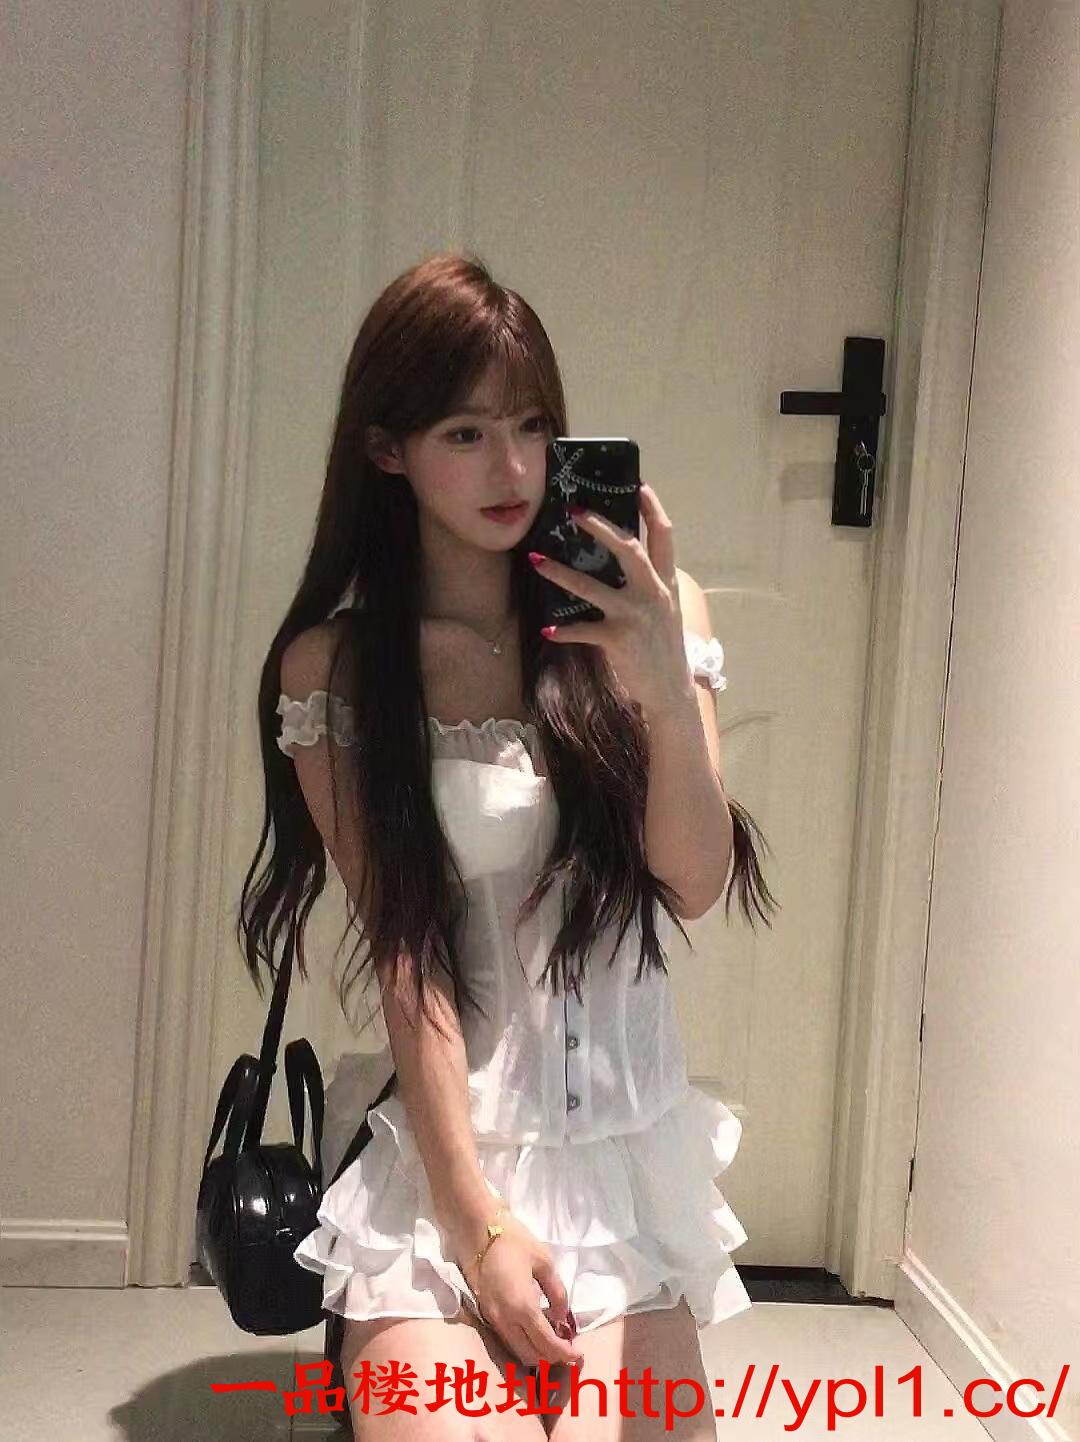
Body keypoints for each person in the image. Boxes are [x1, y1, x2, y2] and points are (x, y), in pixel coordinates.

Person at [239, 251, 778, 1439]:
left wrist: (657, 685)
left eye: (533, 426)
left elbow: (692, 881)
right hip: (447, 1160)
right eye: (467, 432)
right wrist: (476, 1224)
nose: (515, 468)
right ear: (388, 448)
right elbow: (409, 957)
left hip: (623, 1164)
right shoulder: (339, 671)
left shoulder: (655, 620)